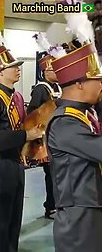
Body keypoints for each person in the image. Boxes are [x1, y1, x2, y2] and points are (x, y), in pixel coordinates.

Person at [0, 13, 44, 252]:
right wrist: (26, 136)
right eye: (12, 67)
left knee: (14, 221)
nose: (17, 70)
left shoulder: (17, 96)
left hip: (16, 162)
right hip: (0, 165)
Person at [46, 41, 102, 252]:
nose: (101, 85)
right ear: (79, 84)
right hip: (79, 214)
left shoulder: (83, 115)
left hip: (91, 206)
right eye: (97, 80)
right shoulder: (64, 122)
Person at [26, 53, 62, 219]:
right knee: (51, 174)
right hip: (46, 137)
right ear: (46, 71)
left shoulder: (57, 87)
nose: (57, 71)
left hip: (57, 136)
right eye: (53, 69)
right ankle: (50, 206)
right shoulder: (41, 89)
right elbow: (33, 112)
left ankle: (56, 204)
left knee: (57, 174)